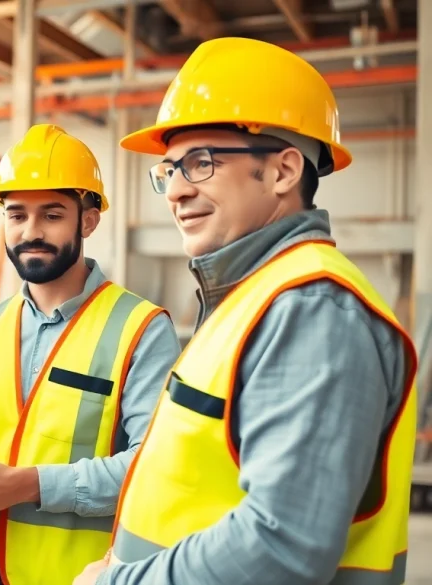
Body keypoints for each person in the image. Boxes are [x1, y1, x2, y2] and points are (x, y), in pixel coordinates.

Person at [76, 37, 416, 585]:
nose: (175, 191)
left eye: (201, 163)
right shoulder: (253, 296)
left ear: (283, 172)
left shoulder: (311, 311)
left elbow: (283, 545)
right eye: (168, 170)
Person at [0, 124, 181, 585]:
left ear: (88, 220)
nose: (31, 231)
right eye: (17, 215)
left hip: (82, 576)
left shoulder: (141, 328)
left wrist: (28, 484)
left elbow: (152, 466)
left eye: (52, 215)